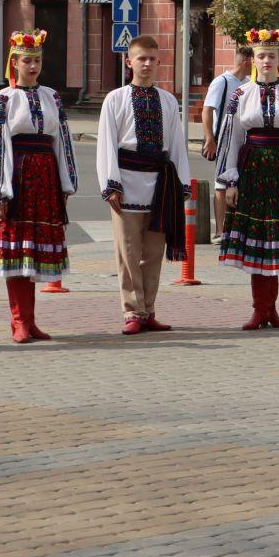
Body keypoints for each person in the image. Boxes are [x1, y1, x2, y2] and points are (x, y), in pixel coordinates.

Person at [0, 29, 77, 343]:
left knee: (32, 252)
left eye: (36, 60)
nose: (32, 66)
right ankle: (18, 320)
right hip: (17, 179)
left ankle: (30, 320)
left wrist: (65, 183)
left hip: (45, 179)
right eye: (26, 61)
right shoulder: (3, 99)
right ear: (14, 63)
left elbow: (62, 140)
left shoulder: (52, 96)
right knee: (17, 250)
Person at [215, 28, 279, 330]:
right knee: (259, 241)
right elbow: (231, 138)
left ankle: (271, 309)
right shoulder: (240, 94)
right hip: (252, 172)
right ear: (253, 60)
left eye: (271, 55)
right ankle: (260, 309)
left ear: (278, 58)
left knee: (276, 241)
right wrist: (229, 181)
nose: (266, 60)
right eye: (261, 56)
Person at [97, 34, 191, 336]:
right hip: (126, 181)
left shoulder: (168, 100)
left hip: (160, 186)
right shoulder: (115, 99)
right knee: (127, 251)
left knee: (152, 252)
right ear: (129, 62)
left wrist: (182, 184)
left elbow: (177, 144)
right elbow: (107, 144)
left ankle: (149, 309)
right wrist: (110, 184)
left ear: (159, 62)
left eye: (152, 59)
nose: (147, 64)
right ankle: (132, 311)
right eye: (141, 58)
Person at [201, 44, 250, 248]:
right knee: (222, 185)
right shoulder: (221, 82)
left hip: (244, 141)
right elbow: (207, 109)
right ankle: (220, 230)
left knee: (240, 184)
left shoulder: (248, 82)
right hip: (223, 140)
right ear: (247, 62)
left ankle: (237, 229)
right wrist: (210, 138)